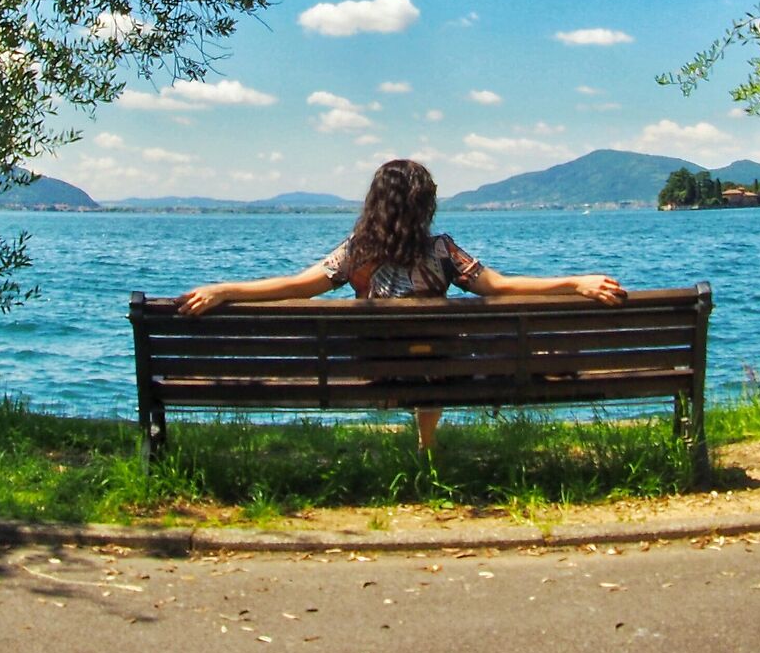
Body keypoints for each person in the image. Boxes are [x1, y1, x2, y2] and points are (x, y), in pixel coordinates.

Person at [177, 157, 626, 449]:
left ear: (375, 205)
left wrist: (227, 290)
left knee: (412, 346)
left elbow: (297, 286)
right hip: (439, 373)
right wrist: (574, 282)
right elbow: (500, 287)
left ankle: (423, 439)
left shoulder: (357, 252)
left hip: (375, 370)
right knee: (432, 349)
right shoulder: (442, 252)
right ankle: (426, 446)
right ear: (424, 206)